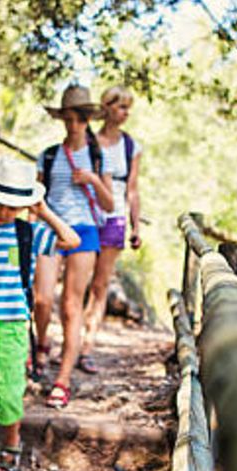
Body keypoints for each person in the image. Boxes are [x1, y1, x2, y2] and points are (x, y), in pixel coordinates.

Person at [0, 159, 80, 471]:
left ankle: (11, 444)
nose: (4, 212)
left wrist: (44, 212)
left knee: (10, 389)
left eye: (13, 207)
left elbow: (71, 241)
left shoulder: (29, 233)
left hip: (11, 325)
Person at [32, 84, 114, 408]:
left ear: (87, 119)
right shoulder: (49, 155)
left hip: (85, 231)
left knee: (71, 306)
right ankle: (41, 344)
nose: (73, 124)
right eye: (68, 118)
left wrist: (92, 179)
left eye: (79, 118)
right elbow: (35, 197)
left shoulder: (97, 156)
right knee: (41, 299)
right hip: (50, 229)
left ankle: (62, 379)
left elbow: (109, 204)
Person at [80, 85, 142, 373]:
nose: (124, 113)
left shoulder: (131, 147)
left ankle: (87, 345)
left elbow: (132, 189)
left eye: (128, 108)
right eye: (120, 107)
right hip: (85, 213)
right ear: (106, 108)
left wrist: (135, 226)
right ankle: (72, 340)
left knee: (101, 284)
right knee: (77, 282)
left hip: (115, 217)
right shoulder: (87, 140)